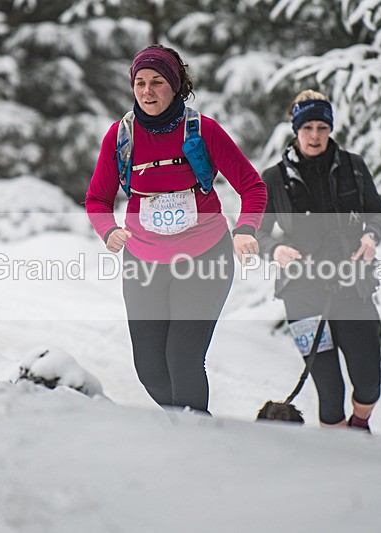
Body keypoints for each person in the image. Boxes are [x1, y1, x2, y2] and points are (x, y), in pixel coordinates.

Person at [85, 44, 266, 414]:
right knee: (150, 370)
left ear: (176, 85)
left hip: (204, 257)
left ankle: (195, 440)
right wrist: (108, 230)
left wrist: (245, 228)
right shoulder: (121, 136)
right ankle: (189, 430)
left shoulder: (203, 130)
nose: (148, 91)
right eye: (140, 83)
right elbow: (97, 200)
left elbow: (252, 186)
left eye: (157, 82)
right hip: (144, 262)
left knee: (183, 360)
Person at [257, 90, 381, 431]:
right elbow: (254, 231)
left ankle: (360, 424)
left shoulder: (353, 168)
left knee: (368, 381)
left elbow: (377, 213)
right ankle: (339, 453)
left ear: (330, 129)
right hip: (301, 294)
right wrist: (275, 250)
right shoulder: (274, 178)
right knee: (329, 391)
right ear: (295, 130)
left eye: (321, 127)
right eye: (307, 128)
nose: (314, 135)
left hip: (351, 287)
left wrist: (369, 237)